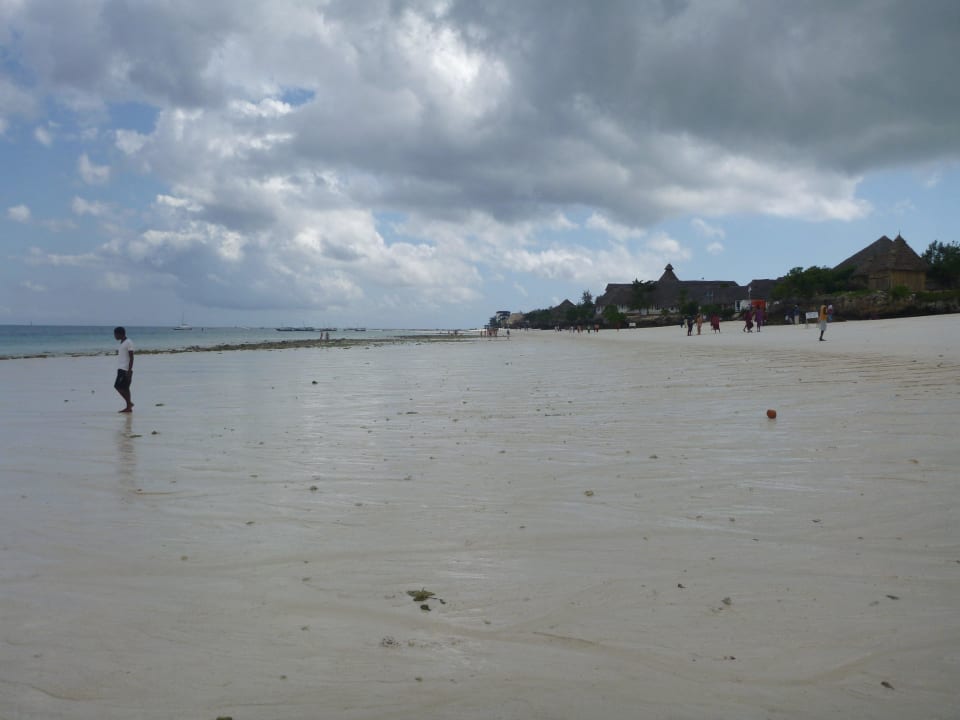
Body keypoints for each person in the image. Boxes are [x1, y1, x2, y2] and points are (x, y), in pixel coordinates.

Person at [113, 326, 134, 412]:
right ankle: (129, 406)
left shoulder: (128, 342)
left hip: (125, 369)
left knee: (118, 386)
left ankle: (129, 404)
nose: (114, 336)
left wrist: (129, 370)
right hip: (121, 368)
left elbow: (131, 357)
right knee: (125, 388)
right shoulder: (122, 342)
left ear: (120, 334)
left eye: (115, 334)